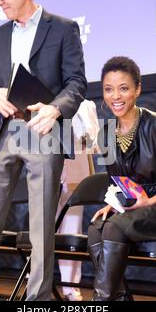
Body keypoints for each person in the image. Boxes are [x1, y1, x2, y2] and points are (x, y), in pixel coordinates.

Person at [0, 0, 87, 301]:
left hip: (43, 131)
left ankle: (37, 302)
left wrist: (55, 109)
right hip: (3, 131)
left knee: (40, 228)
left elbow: (77, 82)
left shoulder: (63, 28)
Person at [88, 56, 156, 301]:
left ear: (138, 89)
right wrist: (113, 203)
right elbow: (115, 178)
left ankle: (100, 302)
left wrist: (152, 201)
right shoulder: (105, 133)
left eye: (123, 88)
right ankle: (120, 298)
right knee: (95, 229)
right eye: (108, 89)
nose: (115, 96)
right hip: (134, 207)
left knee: (114, 226)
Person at [56, 99, 99, 301]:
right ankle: (34, 277)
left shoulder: (84, 104)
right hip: (46, 167)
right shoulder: (40, 100)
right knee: (42, 226)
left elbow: (91, 139)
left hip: (74, 165)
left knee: (72, 227)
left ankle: (70, 285)